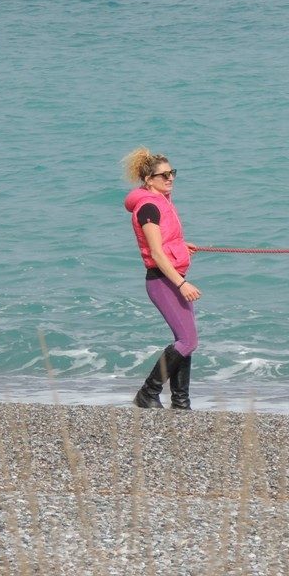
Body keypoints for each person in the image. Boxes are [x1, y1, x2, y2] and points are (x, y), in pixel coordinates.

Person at [121, 147, 201, 409]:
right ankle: (148, 392)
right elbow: (155, 252)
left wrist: (180, 246)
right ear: (148, 180)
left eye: (172, 173)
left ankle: (181, 402)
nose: (170, 178)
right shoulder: (148, 208)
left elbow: (165, 241)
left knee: (185, 341)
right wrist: (181, 283)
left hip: (171, 276)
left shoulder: (162, 202)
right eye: (163, 175)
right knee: (187, 341)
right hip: (162, 281)